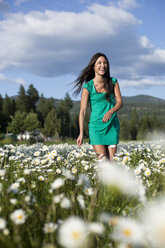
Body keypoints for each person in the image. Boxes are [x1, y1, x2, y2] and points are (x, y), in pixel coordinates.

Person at [73, 52, 123, 160]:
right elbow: (82, 111)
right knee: (103, 162)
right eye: (99, 63)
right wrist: (81, 133)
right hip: (96, 128)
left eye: (105, 63)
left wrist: (111, 111)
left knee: (112, 163)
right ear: (93, 66)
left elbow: (120, 102)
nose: (102, 65)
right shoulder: (88, 87)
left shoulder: (113, 82)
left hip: (112, 126)